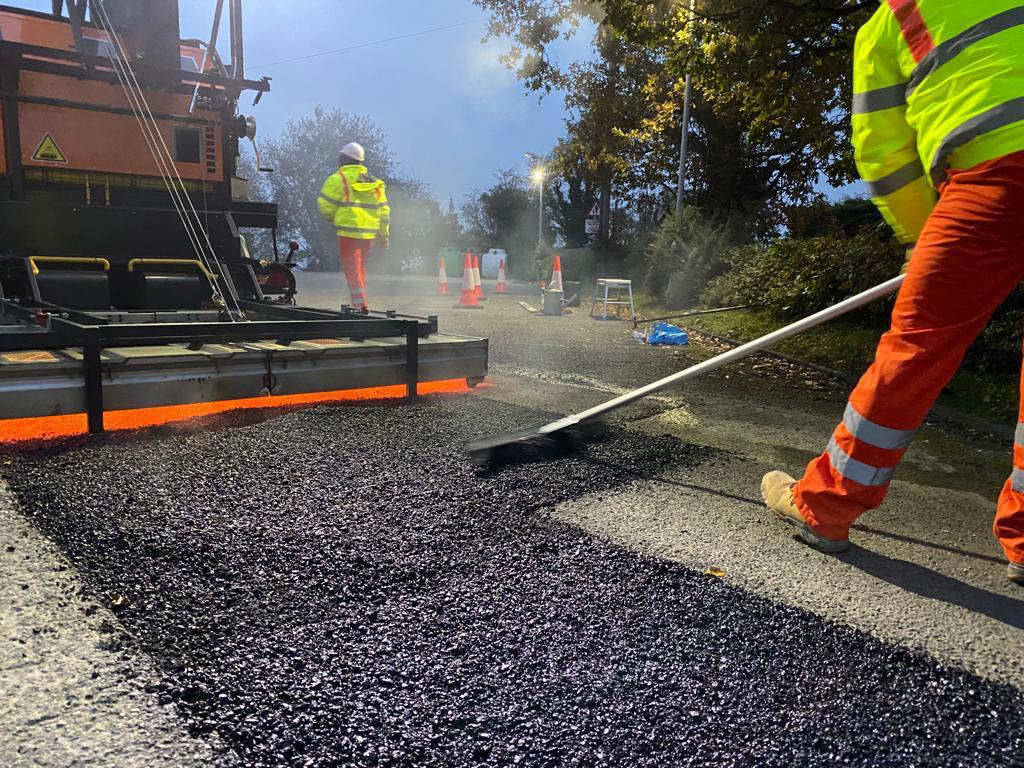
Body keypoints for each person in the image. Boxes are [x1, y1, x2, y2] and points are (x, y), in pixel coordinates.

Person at [761, 0, 1024, 586]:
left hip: (991, 175)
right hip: (997, 168)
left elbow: (884, 157)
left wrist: (920, 232)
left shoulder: (894, 19)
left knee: (917, 345)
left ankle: (826, 504)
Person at [316, 142, 390, 311]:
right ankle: (361, 302)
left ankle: (360, 306)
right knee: (360, 269)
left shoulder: (338, 179)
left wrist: (333, 217)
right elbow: (384, 211)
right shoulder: (375, 182)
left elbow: (324, 205)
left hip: (348, 233)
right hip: (368, 235)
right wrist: (384, 234)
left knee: (352, 270)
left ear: (344, 158)